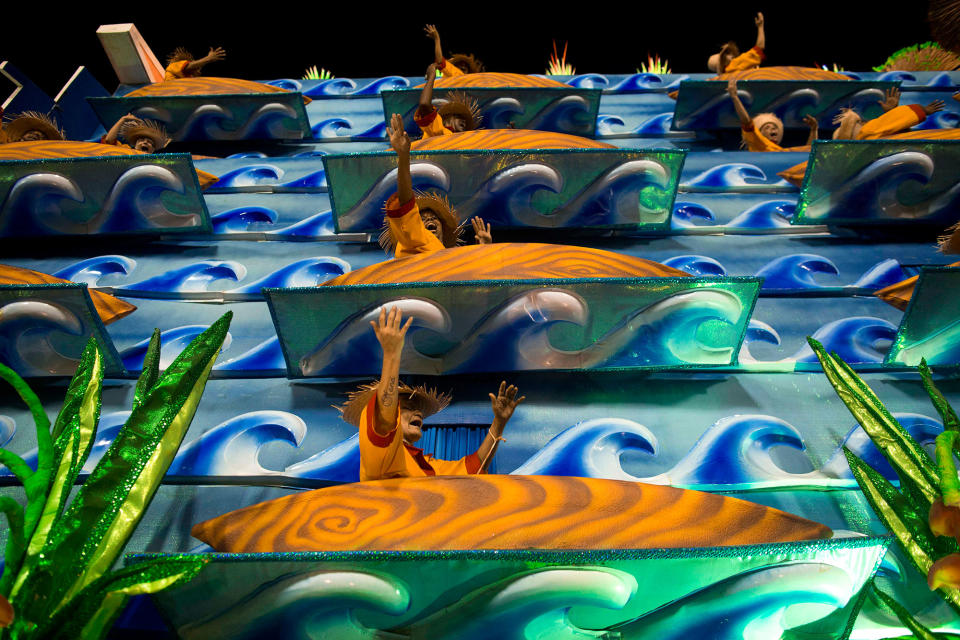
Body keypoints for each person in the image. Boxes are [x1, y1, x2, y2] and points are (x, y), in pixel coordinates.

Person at [338, 306, 524, 481]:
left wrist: (499, 422)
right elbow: (385, 416)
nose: (418, 413)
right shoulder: (379, 452)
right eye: (410, 407)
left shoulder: (428, 466)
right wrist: (392, 354)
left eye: (418, 409)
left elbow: (474, 468)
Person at [381, 112, 492, 256]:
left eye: (434, 218)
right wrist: (403, 157)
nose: (430, 220)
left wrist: (483, 249)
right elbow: (406, 204)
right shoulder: (415, 239)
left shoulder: (449, 256)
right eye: (423, 219)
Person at [727, 78, 818, 151]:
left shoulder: (785, 153)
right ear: (759, 134)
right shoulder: (758, 144)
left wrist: (814, 130)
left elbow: (809, 153)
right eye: (767, 127)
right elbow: (746, 121)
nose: (773, 129)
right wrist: (734, 97)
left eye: (774, 127)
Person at [413, 64, 481, 138]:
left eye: (466, 121)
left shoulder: (460, 141)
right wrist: (432, 77)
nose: (464, 121)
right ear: (447, 118)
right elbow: (424, 104)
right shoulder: (438, 129)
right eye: (458, 116)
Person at [101, 115, 170, 153]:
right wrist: (123, 119)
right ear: (135, 144)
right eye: (141, 140)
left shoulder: (156, 162)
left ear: (152, 150)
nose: (145, 142)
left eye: (150, 142)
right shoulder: (126, 150)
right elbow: (109, 140)